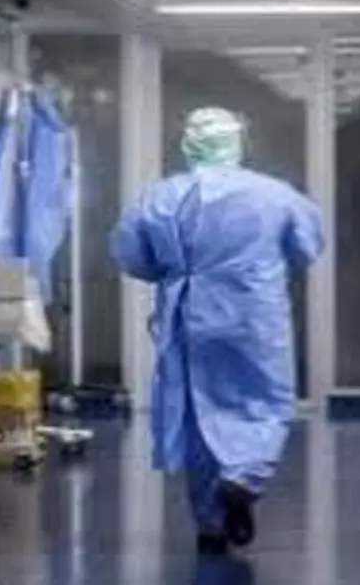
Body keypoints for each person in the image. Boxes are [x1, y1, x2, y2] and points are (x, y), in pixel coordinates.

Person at [110, 107, 324, 554]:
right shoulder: (274, 194)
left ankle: (210, 525)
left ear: (188, 144)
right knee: (265, 401)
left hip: (188, 315)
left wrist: (177, 271)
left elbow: (131, 256)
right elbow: (307, 247)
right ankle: (244, 478)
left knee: (198, 415)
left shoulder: (160, 197)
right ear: (238, 143)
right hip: (255, 315)